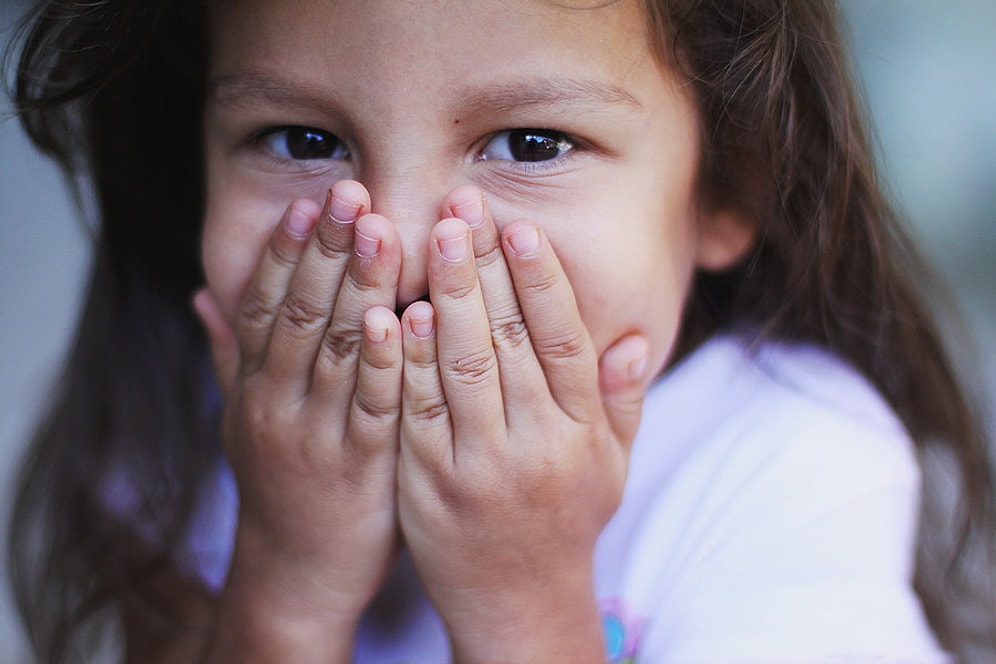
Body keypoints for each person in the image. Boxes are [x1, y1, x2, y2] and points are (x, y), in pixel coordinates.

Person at [5, 0, 994, 662]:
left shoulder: (789, 472)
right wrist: (286, 581)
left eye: (530, 143)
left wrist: (523, 603)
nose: (391, 239)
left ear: (727, 183)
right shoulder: (194, 435)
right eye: (302, 140)